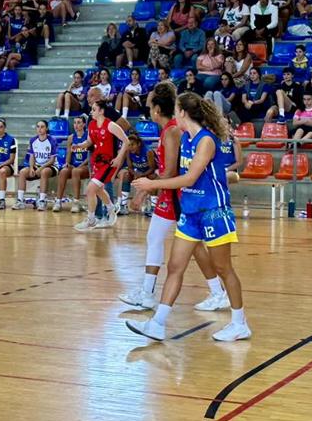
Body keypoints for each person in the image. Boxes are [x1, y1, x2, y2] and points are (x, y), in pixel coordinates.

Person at [126, 93, 250, 342]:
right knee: (175, 267)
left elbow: (190, 178)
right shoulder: (186, 139)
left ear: (182, 113)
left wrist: (152, 185)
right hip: (191, 212)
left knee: (223, 269)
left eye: (175, 110)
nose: (174, 114)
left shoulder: (206, 140)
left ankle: (240, 323)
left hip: (214, 212)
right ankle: (158, 323)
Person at [118, 82, 230, 312]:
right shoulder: (169, 130)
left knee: (177, 242)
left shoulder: (171, 131)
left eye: (149, 105)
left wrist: (143, 191)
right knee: (173, 241)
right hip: (175, 193)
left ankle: (152, 294)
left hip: (179, 195)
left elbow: (170, 171)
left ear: (157, 109)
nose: (147, 109)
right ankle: (151, 293)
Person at [74, 100, 128, 231]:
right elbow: (89, 142)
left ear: (101, 111)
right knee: (98, 189)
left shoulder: (111, 125)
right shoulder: (92, 124)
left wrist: (118, 157)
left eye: (94, 109)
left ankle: (91, 220)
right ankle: (111, 208)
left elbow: (126, 141)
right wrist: (79, 146)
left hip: (109, 162)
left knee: (90, 189)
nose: (91, 112)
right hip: (96, 160)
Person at [13, 120, 57, 210]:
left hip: (50, 166)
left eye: (42, 127)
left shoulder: (52, 140)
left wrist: (41, 168)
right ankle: (20, 201)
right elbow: (31, 156)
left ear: (47, 128)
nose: (39, 129)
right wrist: (31, 167)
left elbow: (52, 160)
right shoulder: (33, 140)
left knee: (44, 172)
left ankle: (42, 201)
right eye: (38, 126)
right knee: (22, 172)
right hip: (37, 165)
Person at [54, 116, 91, 213]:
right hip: (75, 166)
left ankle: (76, 202)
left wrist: (81, 165)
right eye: (74, 123)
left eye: (79, 122)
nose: (76, 125)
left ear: (84, 124)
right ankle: (58, 201)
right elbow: (69, 153)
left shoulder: (88, 136)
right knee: (63, 171)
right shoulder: (71, 137)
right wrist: (67, 163)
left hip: (86, 166)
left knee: (75, 171)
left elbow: (90, 156)